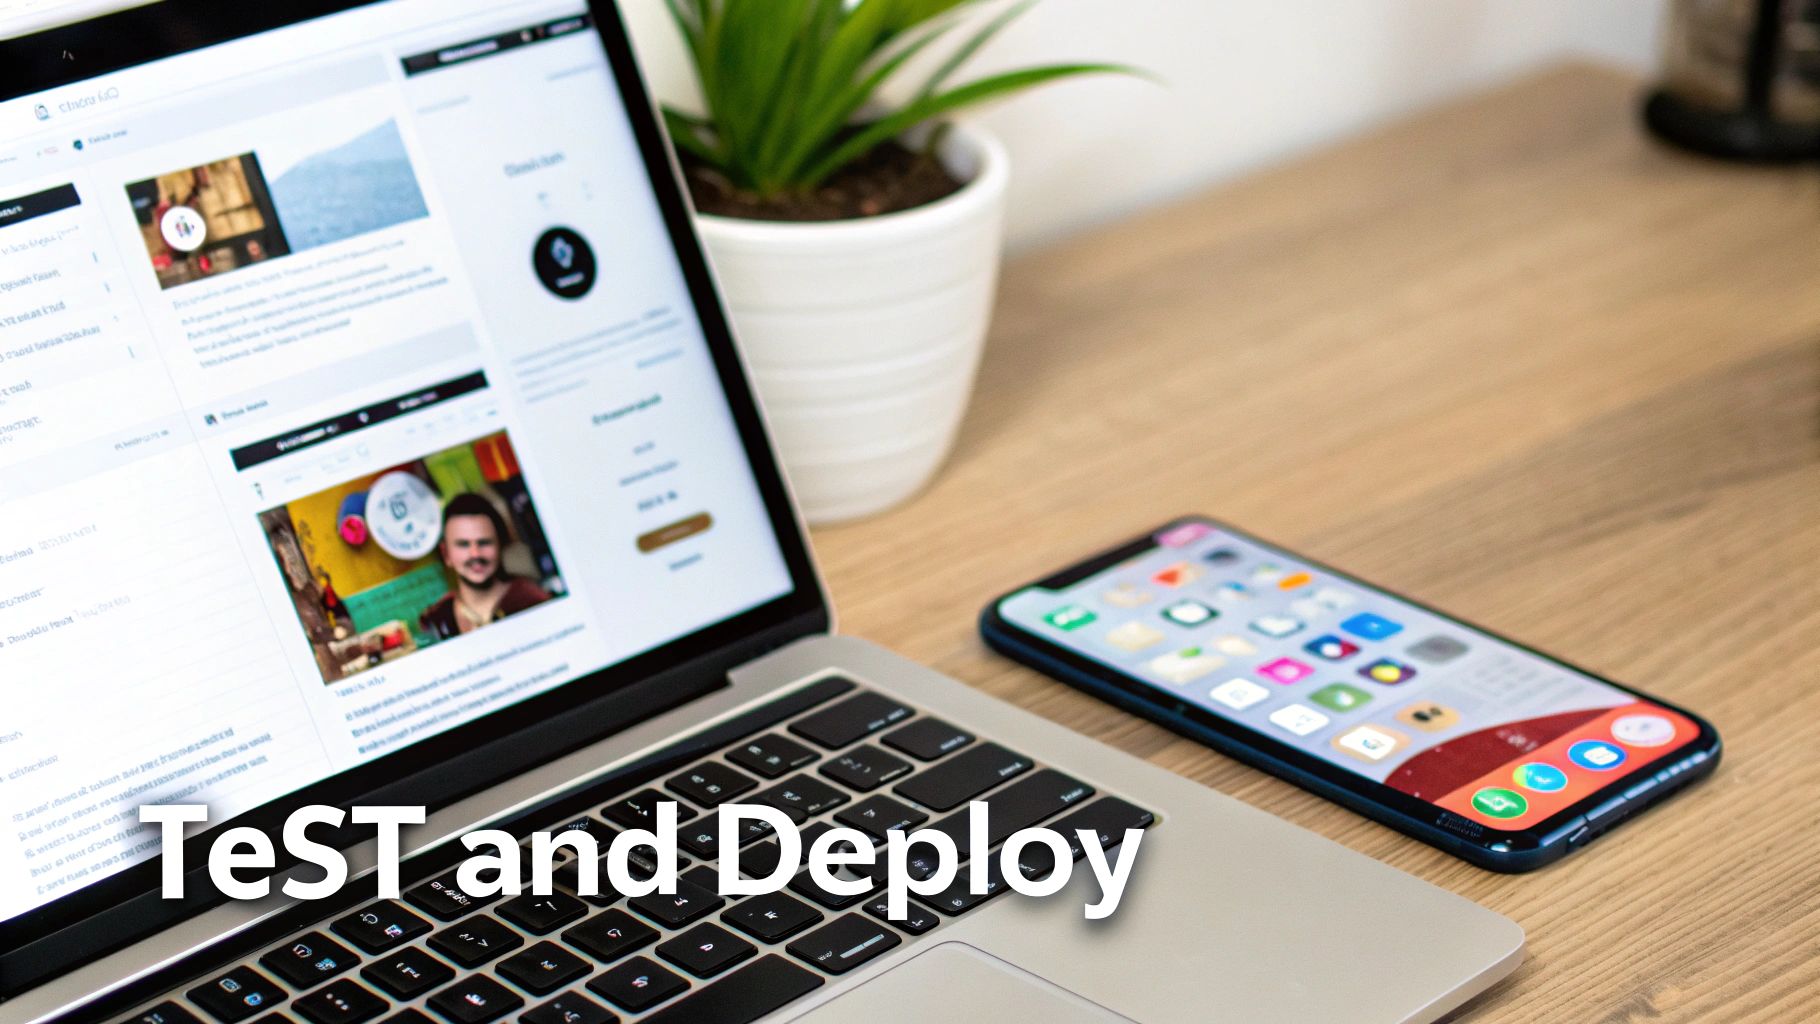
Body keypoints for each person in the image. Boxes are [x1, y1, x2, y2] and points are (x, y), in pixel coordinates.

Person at [418, 492, 552, 639]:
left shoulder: (532, 601)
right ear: (446, 554)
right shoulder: (437, 619)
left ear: (500, 545)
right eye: (463, 544)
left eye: (484, 543)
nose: (475, 554)